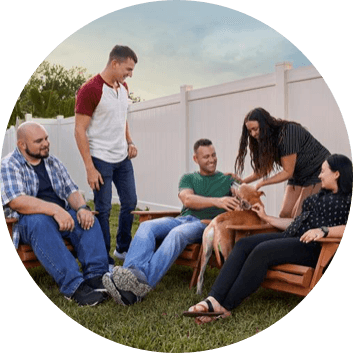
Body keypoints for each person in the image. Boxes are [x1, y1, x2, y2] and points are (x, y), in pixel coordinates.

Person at [185, 154, 351, 324]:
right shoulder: (321, 196)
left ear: (337, 174)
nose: (320, 175)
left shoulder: (347, 200)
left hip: (314, 247)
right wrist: (267, 217)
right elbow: (296, 222)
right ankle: (213, 299)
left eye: (323, 172)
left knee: (261, 252)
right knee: (243, 244)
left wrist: (324, 231)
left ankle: (225, 306)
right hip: (293, 237)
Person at [102, 138, 240, 305]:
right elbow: (187, 199)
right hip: (181, 219)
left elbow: (246, 193)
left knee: (177, 234)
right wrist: (217, 201)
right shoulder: (188, 178)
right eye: (206, 157)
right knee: (146, 226)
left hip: (205, 224)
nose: (211, 160)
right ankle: (129, 278)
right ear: (196, 159)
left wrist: (237, 190)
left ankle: (137, 286)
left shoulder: (227, 180)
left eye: (213, 155)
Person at [0, 122, 109, 306]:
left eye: (46, 138)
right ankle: (74, 286)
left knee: (89, 220)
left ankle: (96, 277)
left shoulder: (53, 162)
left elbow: (71, 191)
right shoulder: (9, 164)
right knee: (40, 222)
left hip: (62, 216)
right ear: (22, 145)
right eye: (39, 141)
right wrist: (55, 210)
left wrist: (82, 208)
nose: (46, 143)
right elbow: (17, 201)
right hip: (29, 221)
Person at [75, 45, 138, 266]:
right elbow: (79, 130)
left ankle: (123, 248)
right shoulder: (90, 89)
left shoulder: (124, 87)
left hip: (122, 158)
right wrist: (89, 167)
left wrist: (129, 141)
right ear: (114, 63)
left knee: (130, 203)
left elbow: (123, 118)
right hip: (100, 158)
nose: (129, 74)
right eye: (128, 69)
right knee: (103, 208)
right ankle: (104, 257)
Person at [234, 108, 331, 218]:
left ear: (265, 124)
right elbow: (264, 170)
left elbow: (287, 172)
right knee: (285, 215)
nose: (253, 134)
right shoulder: (268, 140)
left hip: (316, 171)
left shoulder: (287, 133)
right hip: (298, 174)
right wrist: (241, 182)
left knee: (298, 217)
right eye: (250, 131)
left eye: (255, 129)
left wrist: (260, 184)